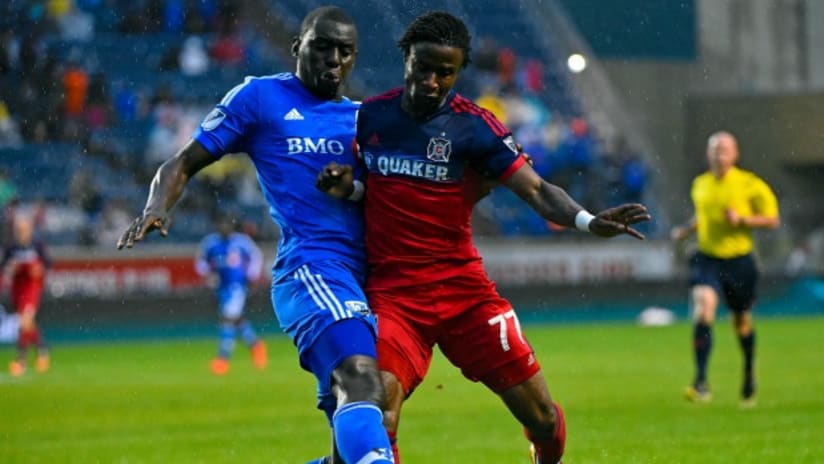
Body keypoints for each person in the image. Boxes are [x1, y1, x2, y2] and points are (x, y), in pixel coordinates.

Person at [317, 11, 651, 464]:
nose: (432, 81)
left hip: (465, 296)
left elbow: (536, 189)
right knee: (378, 410)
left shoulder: (474, 127)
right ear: (405, 59)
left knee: (543, 419)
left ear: (458, 71)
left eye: (445, 72)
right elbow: (367, 188)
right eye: (423, 68)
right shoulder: (371, 117)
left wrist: (589, 222)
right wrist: (346, 187)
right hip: (395, 299)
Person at [116, 6, 393, 464]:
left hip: (372, 280)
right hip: (313, 268)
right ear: (296, 48)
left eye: (345, 52)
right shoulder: (261, 98)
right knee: (361, 378)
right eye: (322, 47)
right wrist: (157, 206)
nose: (334, 60)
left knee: (365, 420)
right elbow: (183, 162)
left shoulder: (367, 118)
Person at [670, 131, 779, 407]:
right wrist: (686, 230)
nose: (719, 155)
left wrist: (742, 219)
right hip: (707, 258)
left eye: (724, 150)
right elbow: (704, 216)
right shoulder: (700, 184)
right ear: (708, 154)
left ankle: (749, 369)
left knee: (741, 322)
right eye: (715, 150)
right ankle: (701, 381)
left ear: (735, 154)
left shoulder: (749, 184)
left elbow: (772, 219)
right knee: (703, 306)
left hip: (739, 261)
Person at [195, 213, 266, 375]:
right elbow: (201, 262)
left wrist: (252, 275)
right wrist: (207, 274)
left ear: (232, 227)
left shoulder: (241, 242)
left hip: (237, 287)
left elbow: (256, 256)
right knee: (237, 319)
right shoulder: (211, 243)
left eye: (227, 225)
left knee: (227, 319)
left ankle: (223, 359)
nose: (224, 228)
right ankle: (256, 345)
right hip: (222, 287)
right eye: (221, 225)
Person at [3, 215, 51, 377]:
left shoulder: (37, 245)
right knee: (27, 323)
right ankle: (42, 349)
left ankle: (20, 361)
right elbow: (4, 267)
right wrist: (12, 268)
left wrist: (39, 270)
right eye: (18, 230)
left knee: (24, 321)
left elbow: (47, 264)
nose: (21, 233)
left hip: (32, 288)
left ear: (29, 230)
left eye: (23, 229)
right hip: (17, 288)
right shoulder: (11, 248)